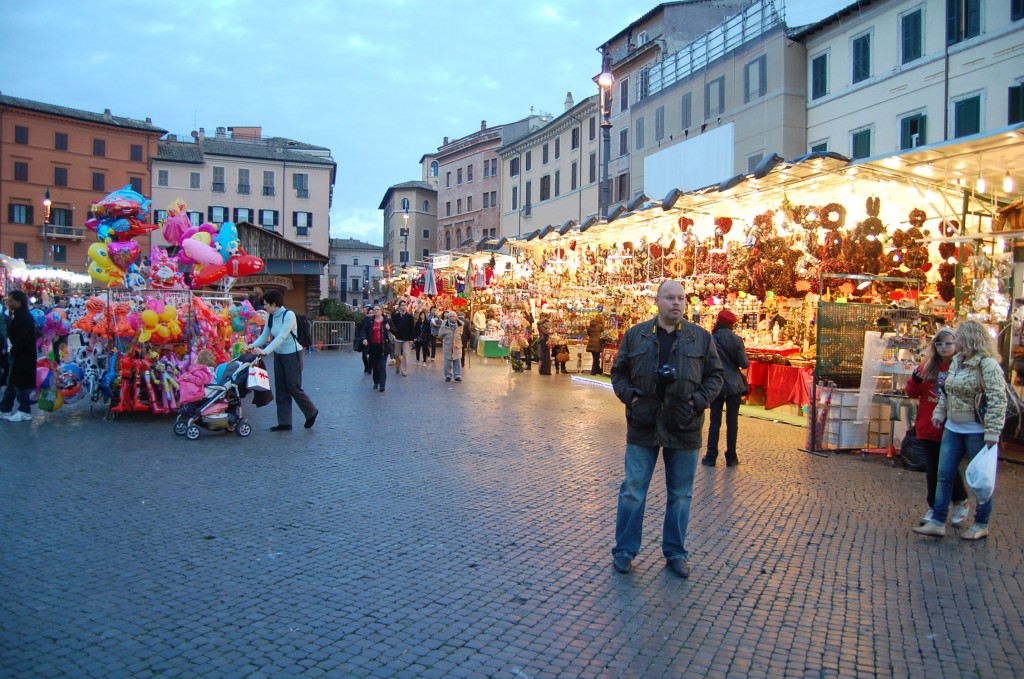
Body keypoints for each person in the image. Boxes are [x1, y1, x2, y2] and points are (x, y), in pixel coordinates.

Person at [609, 280, 724, 578]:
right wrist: (632, 399)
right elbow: (618, 373)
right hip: (643, 424)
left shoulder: (700, 338)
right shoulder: (637, 335)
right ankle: (624, 550)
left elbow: (715, 376)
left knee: (681, 494)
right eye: (670, 298)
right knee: (633, 490)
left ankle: (675, 552)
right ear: (657, 301)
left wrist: (698, 401)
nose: (676, 303)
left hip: (684, 425)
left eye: (681, 298)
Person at [914, 320, 1005, 540]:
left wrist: (993, 431)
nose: (956, 342)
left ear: (970, 339)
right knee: (943, 475)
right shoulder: (957, 362)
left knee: (980, 480)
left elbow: (997, 399)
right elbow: (947, 391)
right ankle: (938, 520)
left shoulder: (988, 365)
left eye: (960, 338)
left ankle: (981, 523)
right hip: (953, 427)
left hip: (976, 429)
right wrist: (939, 413)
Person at [904, 327, 970, 527]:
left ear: (957, 344)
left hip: (953, 427)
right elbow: (912, 393)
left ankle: (959, 501)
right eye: (939, 344)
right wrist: (914, 380)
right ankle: (935, 507)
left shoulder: (963, 367)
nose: (944, 347)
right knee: (933, 469)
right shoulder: (927, 367)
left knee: (947, 468)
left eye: (948, 343)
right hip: (927, 426)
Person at [249, 290, 319, 432]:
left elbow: (281, 336)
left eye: (266, 304)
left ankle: (311, 411)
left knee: (293, 386)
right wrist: (251, 345)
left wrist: (266, 351)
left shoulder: (289, 316)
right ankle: (284, 422)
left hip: (293, 354)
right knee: (281, 388)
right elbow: (264, 336)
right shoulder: (271, 317)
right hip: (279, 355)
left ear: (274, 304)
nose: (264, 307)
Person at [702, 309, 749, 468]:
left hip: (716, 384)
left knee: (714, 421)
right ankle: (731, 457)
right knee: (732, 422)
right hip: (734, 386)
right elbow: (744, 364)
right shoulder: (736, 340)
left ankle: (711, 456)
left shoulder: (710, 339)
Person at [0, 290, 39, 422]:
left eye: (11, 301)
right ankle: (4, 409)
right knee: (12, 382)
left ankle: (25, 410)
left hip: (23, 357)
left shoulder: (24, 317)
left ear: (19, 302)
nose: (8, 303)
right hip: (18, 355)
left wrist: (15, 350)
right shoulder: (17, 315)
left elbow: (24, 339)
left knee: (22, 384)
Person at [360, 305, 393, 392]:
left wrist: (390, 328)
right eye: (374, 310)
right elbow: (363, 330)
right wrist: (364, 339)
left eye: (378, 310)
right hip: (373, 346)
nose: (376, 311)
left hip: (384, 346)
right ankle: (376, 381)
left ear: (381, 311)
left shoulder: (387, 321)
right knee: (375, 366)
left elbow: (395, 330)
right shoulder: (370, 321)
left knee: (382, 365)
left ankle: (382, 385)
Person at [438, 310, 464, 382]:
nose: (452, 318)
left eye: (453, 316)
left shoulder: (461, 324)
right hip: (447, 345)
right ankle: (448, 375)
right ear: (448, 317)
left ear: (456, 317)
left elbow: (461, 333)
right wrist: (444, 331)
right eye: (450, 316)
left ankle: (457, 375)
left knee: (457, 360)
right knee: (447, 362)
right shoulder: (444, 324)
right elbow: (440, 334)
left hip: (457, 345)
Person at [391, 299, 414, 377]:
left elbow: (412, 328)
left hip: (406, 339)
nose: (404, 307)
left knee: (405, 354)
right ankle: (398, 366)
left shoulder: (409, 316)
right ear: (399, 307)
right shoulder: (396, 316)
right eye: (402, 305)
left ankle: (404, 370)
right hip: (397, 338)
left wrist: (411, 339)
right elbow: (393, 326)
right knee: (397, 354)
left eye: (405, 305)